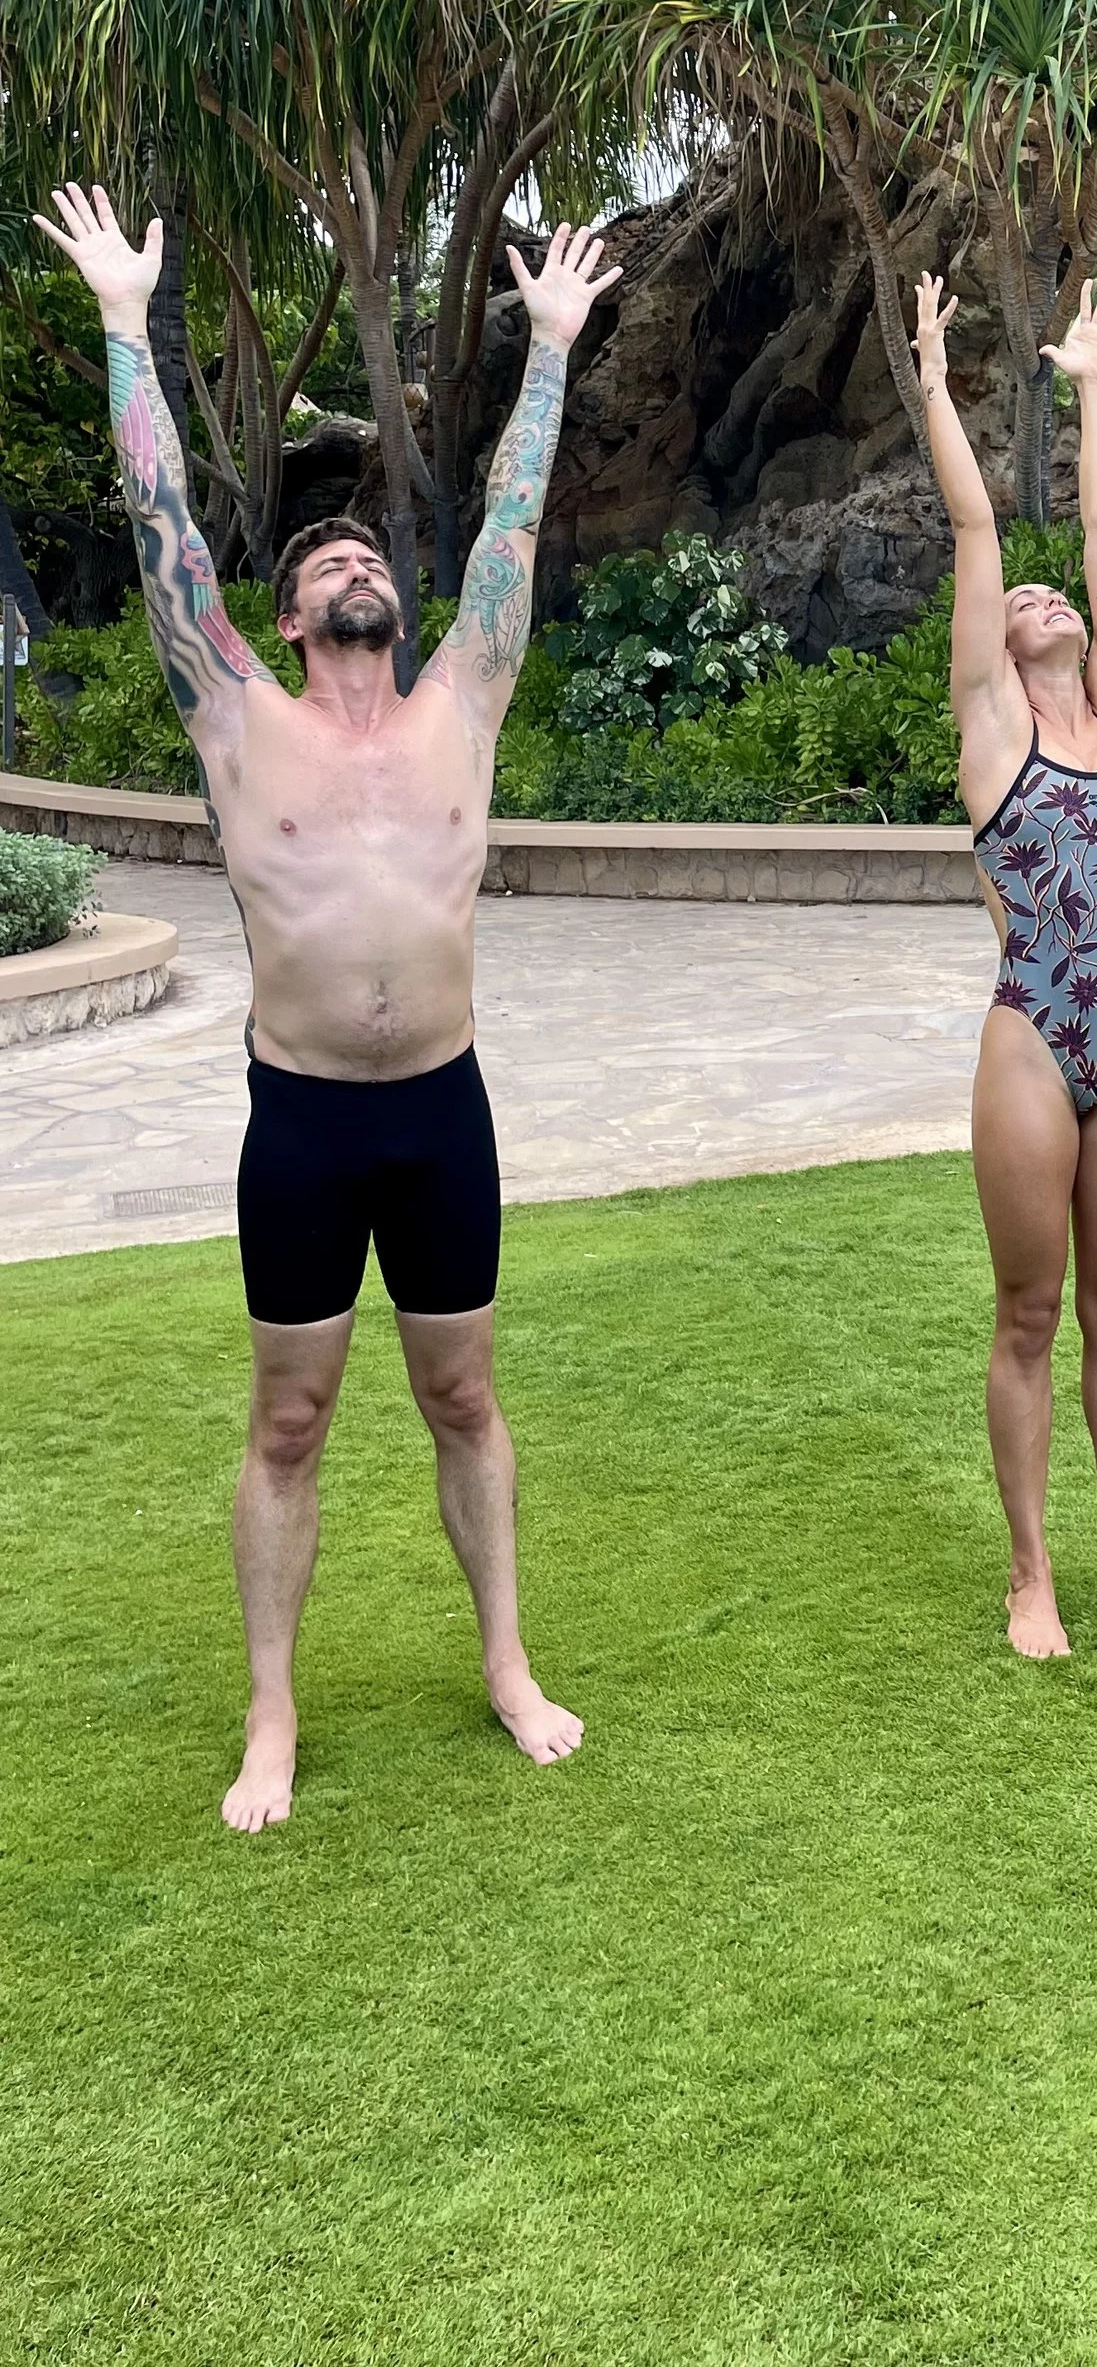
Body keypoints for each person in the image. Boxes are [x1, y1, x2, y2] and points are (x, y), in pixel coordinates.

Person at [38, 182, 618, 1830]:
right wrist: (122, 325)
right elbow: (161, 536)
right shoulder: (238, 718)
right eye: (329, 560)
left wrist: (555, 344)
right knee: (289, 1415)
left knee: (463, 1395)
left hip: (444, 1111)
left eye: (370, 551)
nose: (356, 561)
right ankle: (273, 1709)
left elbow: (510, 521)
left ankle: (506, 1661)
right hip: (302, 1119)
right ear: (291, 621)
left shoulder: (464, 698)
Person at [910, 269, 1097, 1660]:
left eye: (1051, 598)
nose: (1041, 597)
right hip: (1035, 1028)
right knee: (1030, 1310)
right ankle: (1032, 1571)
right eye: (1021, 603)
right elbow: (979, 526)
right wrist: (932, 377)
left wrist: (1092, 385)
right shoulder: (992, 729)